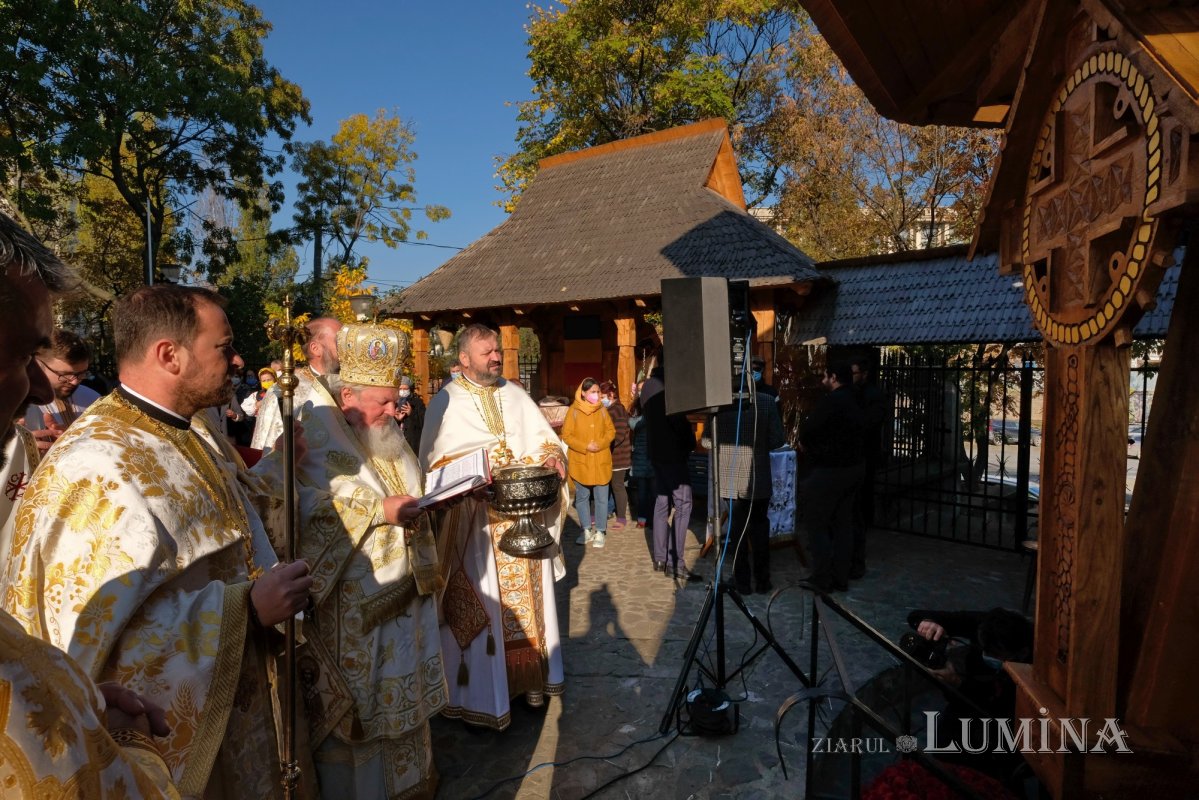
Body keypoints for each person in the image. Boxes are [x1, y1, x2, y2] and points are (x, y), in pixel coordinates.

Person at [3, 284, 314, 797]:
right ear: (169, 355)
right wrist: (245, 610)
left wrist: (281, 467)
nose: (236, 359)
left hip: (237, 706)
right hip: (168, 745)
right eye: (223, 346)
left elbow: (237, 517)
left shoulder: (193, 434)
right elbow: (83, 638)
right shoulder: (97, 468)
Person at [0, 210, 179, 797]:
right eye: (14, 355)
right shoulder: (98, 454)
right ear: (169, 354)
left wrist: (83, 699)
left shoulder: (187, 434)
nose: (30, 386)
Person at [292, 324, 446, 798]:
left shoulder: (387, 435)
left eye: (393, 400)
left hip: (405, 600)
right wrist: (380, 511)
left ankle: (412, 784)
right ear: (348, 396)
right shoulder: (317, 431)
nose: (392, 411)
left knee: (406, 706)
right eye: (381, 403)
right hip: (355, 614)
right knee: (365, 717)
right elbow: (301, 506)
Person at [420, 323, 567, 730]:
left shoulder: (515, 394)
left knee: (532, 608)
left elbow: (546, 442)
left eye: (497, 350)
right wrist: (468, 481)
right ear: (464, 358)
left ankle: (531, 684)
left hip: (524, 519)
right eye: (487, 352)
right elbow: (432, 466)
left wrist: (555, 459)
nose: (496, 358)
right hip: (476, 528)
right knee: (484, 606)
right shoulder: (444, 402)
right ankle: (484, 697)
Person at [799, 361, 864, 592]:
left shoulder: (833, 401)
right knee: (843, 523)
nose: (822, 380)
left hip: (829, 470)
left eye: (825, 376)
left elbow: (808, 430)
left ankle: (822, 577)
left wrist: (811, 448)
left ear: (834, 377)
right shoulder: (856, 398)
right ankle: (840, 576)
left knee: (817, 524)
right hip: (853, 468)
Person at [714, 386, 786, 595]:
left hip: (731, 476)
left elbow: (708, 440)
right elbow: (777, 440)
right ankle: (763, 581)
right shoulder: (766, 401)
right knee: (759, 530)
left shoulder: (721, 401)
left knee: (738, 532)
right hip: (758, 476)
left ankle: (742, 582)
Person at [642, 356, 699, 579]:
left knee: (662, 502)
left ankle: (660, 557)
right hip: (673, 455)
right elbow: (678, 423)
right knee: (683, 504)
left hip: (655, 453)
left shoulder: (648, 385)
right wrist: (689, 442)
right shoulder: (668, 388)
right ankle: (677, 562)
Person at [251, 316, 342, 452]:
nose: (348, 348)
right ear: (315, 348)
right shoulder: (288, 390)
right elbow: (269, 454)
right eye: (339, 341)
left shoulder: (349, 384)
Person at [22, 327, 101, 455]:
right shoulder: (17, 404)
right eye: (65, 374)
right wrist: (21, 447)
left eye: (81, 373)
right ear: (37, 364)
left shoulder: (93, 399)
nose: (75, 381)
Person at [562, 377, 615, 548]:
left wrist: (600, 444)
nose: (597, 395)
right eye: (592, 392)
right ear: (583, 393)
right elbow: (567, 435)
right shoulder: (574, 411)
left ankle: (600, 530)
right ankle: (586, 529)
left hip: (600, 460)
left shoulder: (602, 410)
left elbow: (611, 431)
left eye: (598, 391)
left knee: (601, 498)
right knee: (582, 497)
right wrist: (585, 446)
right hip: (581, 461)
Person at [850, 357, 887, 578]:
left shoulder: (873, 396)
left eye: (855, 372)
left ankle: (857, 555)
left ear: (864, 373)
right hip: (856, 457)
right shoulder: (855, 394)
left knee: (859, 508)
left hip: (865, 456)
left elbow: (869, 424)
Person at [601, 380, 631, 528]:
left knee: (618, 486)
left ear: (611, 395)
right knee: (612, 485)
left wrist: (602, 445)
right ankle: (609, 510)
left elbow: (618, 435)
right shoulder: (610, 410)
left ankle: (621, 517)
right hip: (611, 455)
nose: (601, 400)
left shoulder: (617, 410)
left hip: (619, 456)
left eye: (602, 397)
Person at [627, 381, 653, 529]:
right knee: (643, 492)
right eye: (639, 389)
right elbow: (632, 423)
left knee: (654, 492)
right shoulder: (637, 406)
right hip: (641, 456)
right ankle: (642, 518)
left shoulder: (655, 406)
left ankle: (653, 518)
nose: (641, 392)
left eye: (644, 389)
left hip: (653, 454)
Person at [396, 373, 426, 454]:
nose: (402, 391)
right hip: (396, 442)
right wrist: (397, 419)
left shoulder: (417, 403)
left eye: (405, 389)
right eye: (400, 389)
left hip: (412, 442)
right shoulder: (393, 403)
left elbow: (423, 422)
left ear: (409, 389)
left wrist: (411, 414)